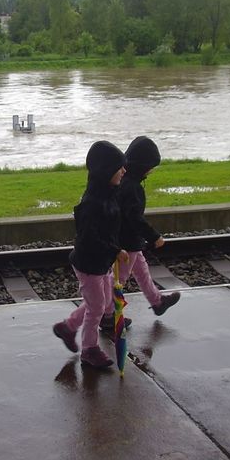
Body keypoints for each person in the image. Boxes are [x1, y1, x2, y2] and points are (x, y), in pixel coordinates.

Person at [53, 140, 129, 368]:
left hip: (101, 262)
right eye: (119, 167)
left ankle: (67, 327)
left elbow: (111, 228)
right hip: (89, 264)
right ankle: (89, 350)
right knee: (97, 306)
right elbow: (90, 239)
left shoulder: (109, 195)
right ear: (106, 171)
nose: (124, 171)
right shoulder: (92, 204)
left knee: (102, 302)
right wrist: (114, 250)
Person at [101, 136, 180, 328]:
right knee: (118, 280)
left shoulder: (123, 181)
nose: (152, 170)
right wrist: (154, 236)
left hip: (128, 240)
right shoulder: (133, 188)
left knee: (142, 271)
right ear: (142, 165)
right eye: (151, 165)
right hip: (127, 243)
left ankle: (157, 302)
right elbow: (135, 218)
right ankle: (108, 315)